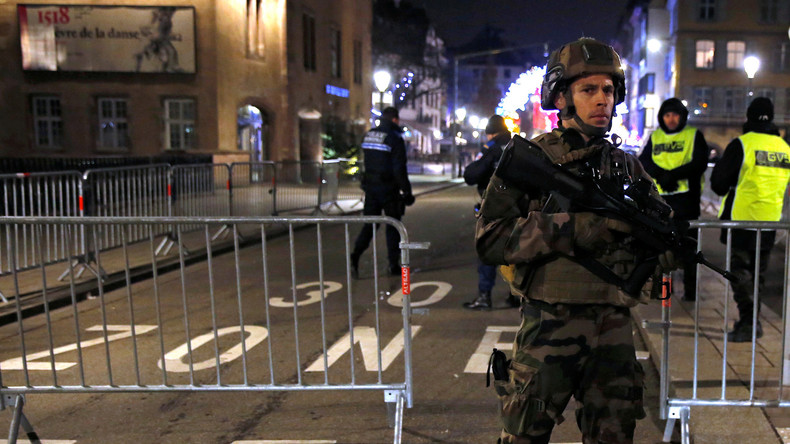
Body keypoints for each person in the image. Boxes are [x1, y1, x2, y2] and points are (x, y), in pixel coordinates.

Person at [476, 38, 675, 444]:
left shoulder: (626, 166)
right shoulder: (533, 160)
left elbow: (660, 241)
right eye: (588, 90)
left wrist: (665, 246)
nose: (602, 99)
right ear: (562, 97)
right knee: (524, 434)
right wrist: (576, 228)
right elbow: (490, 239)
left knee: (614, 435)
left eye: (608, 90)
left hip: (613, 326)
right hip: (550, 322)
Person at [710, 97, 790, 342]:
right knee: (758, 275)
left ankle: (748, 322)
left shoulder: (742, 144)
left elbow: (719, 185)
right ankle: (752, 322)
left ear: (749, 117)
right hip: (770, 222)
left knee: (739, 273)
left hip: (742, 220)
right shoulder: (784, 148)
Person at [638, 98, 709, 301]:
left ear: (682, 117)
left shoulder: (693, 135)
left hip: (686, 200)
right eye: (667, 115)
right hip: (660, 201)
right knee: (659, 246)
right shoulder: (656, 136)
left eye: (675, 115)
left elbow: (699, 162)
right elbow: (644, 162)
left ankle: (690, 292)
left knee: (688, 247)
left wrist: (674, 175)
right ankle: (661, 290)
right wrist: (662, 175)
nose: (671, 119)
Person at [462, 115, 520, 309]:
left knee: (488, 249)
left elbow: (472, 175)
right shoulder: (517, 146)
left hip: (494, 208)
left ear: (492, 133)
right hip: (518, 208)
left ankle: (484, 296)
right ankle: (516, 295)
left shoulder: (492, 148)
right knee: (515, 253)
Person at [350, 107, 414, 278]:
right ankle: (393, 264)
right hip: (388, 189)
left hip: (371, 187)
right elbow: (399, 168)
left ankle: (356, 253)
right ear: (395, 120)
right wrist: (407, 192)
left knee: (370, 224)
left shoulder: (369, 135)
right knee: (393, 225)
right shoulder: (394, 139)